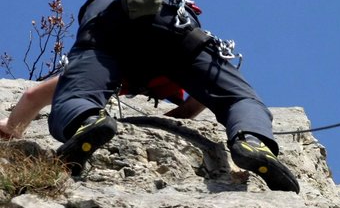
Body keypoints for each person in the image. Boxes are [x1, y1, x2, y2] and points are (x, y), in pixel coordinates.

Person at [47, 0, 299, 193]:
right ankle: (251, 141)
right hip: (176, 31)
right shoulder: (167, 7)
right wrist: (175, 118)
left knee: (76, 98)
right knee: (241, 99)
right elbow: (208, 99)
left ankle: (87, 121)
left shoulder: (104, 13)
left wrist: (11, 126)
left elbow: (41, 94)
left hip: (103, 32)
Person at [0, 75, 204, 139]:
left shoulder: (101, 65)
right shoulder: (190, 55)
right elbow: (194, 106)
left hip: (116, 73)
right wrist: (163, 120)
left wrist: (11, 127)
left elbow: (32, 96)